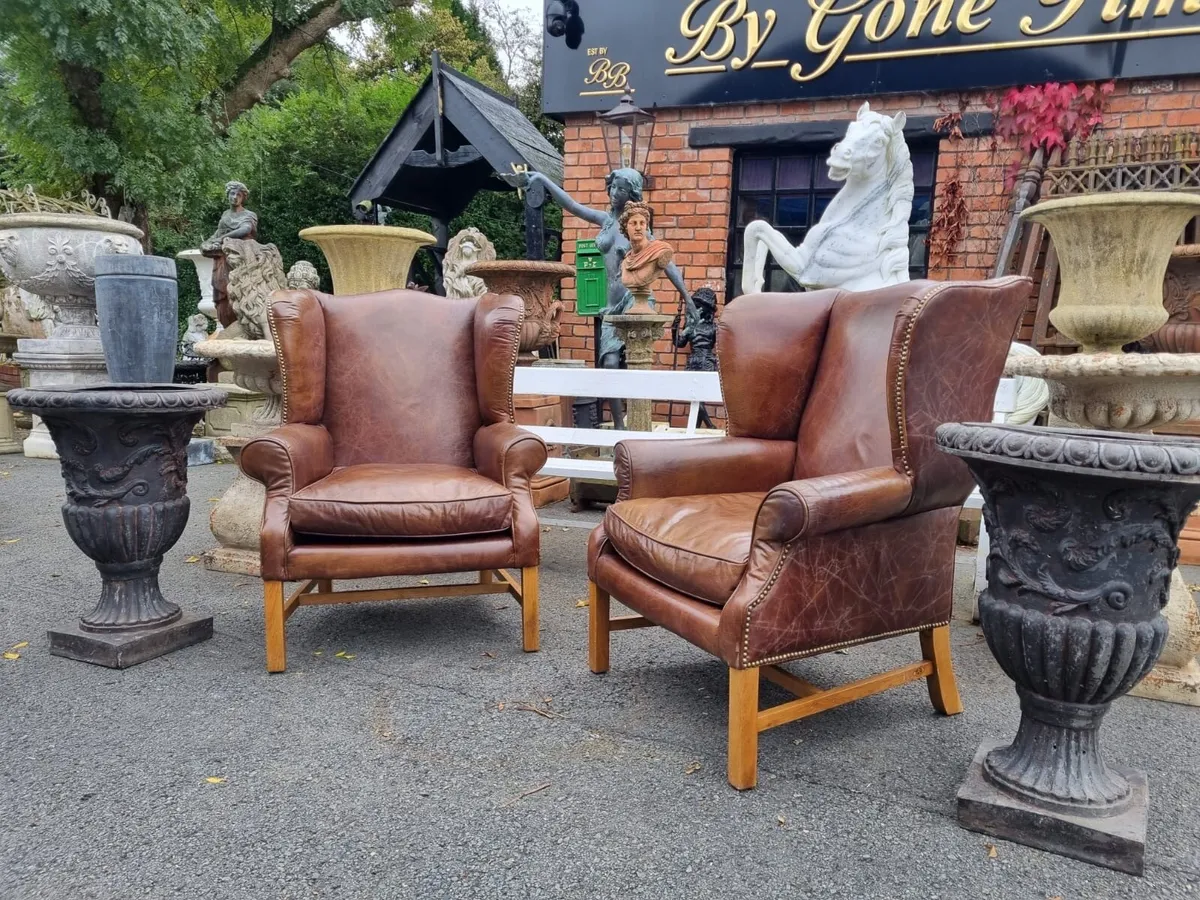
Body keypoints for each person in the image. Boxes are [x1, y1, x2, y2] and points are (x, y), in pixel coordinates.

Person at [523, 167, 696, 430]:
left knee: (637, 362)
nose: (615, 193)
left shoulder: (637, 227)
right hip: (611, 305)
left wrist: (688, 299)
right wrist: (543, 179)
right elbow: (572, 205)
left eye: (621, 189)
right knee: (610, 362)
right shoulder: (605, 220)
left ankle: (638, 421)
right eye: (613, 187)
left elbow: (667, 264)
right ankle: (618, 426)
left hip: (634, 299)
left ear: (632, 193)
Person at [672, 286, 719, 429]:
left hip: (707, 361)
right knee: (693, 395)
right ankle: (701, 426)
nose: (698, 308)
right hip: (693, 361)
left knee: (699, 397)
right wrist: (675, 328)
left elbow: (721, 346)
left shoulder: (714, 327)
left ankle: (706, 426)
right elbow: (679, 343)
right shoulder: (690, 325)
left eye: (701, 306)